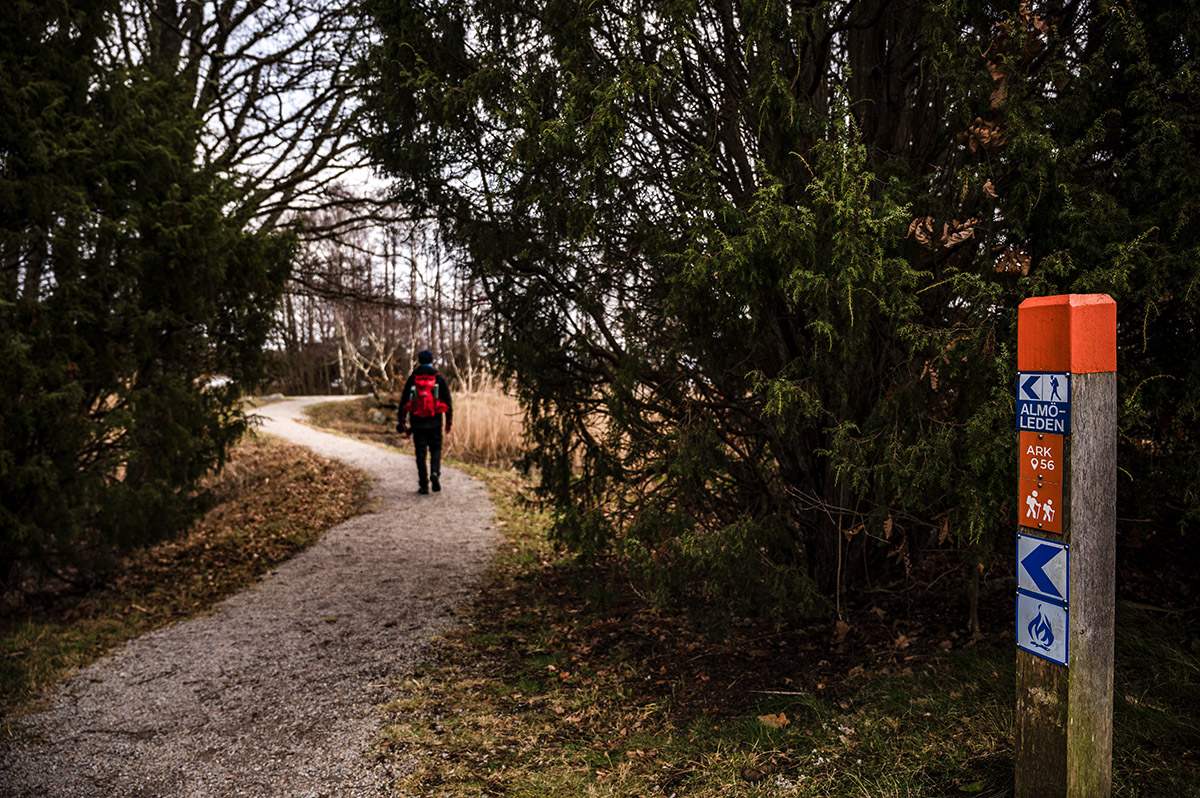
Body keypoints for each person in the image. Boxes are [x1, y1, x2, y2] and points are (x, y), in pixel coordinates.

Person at [396, 350, 453, 494]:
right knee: (435, 449)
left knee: (420, 454)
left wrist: (402, 421)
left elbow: (403, 402)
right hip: (435, 422)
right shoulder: (438, 378)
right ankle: (435, 472)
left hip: (417, 423)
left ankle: (423, 485)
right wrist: (449, 421)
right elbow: (447, 401)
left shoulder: (413, 378)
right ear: (432, 361)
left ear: (419, 361)